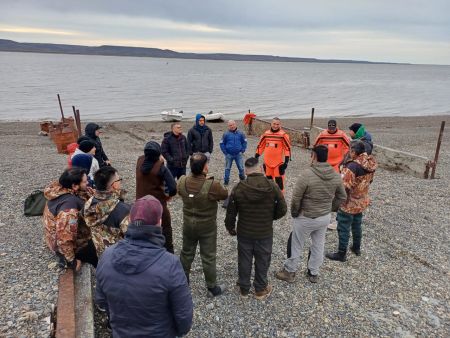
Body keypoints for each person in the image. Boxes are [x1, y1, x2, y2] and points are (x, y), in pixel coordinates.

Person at [95, 195, 193, 338]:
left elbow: (101, 301)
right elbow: (184, 318)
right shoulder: (170, 264)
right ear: (159, 222)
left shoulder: (106, 256)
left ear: (130, 220)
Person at [275, 145, 347, 283]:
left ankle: (290, 272)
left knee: (296, 243)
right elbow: (342, 196)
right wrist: (331, 208)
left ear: (313, 156)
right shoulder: (335, 175)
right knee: (318, 244)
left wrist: (295, 213)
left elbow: (296, 198)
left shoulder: (307, 174)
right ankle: (313, 273)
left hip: (306, 216)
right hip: (324, 217)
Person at [225, 157, 287, 300]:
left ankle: (244, 289)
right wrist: (270, 218)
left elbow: (231, 211)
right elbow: (283, 209)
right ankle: (260, 289)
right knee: (263, 259)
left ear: (246, 171)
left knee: (244, 259)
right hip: (264, 231)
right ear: (260, 169)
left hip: (244, 231)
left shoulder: (239, 188)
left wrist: (230, 227)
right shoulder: (272, 186)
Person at [178, 153, 228, 297]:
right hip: (207, 227)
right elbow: (224, 195)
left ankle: (182, 282)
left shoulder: (182, 181)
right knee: (208, 256)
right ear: (205, 167)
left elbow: (180, 192)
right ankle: (212, 287)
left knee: (186, 252)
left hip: (188, 224)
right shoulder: (212, 185)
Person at [326, 140, 377, 262]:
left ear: (353, 151)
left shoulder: (352, 166)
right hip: (361, 200)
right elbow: (370, 181)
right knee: (357, 225)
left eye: (350, 150)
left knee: (343, 227)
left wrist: (335, 201)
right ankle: (356, 248)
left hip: (349, 203)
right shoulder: (370, 163)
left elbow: (343, 187)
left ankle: (341, 253)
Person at [43, 168, 98, 269]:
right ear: (74, 186)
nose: (88, 183)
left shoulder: (60, 189)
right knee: (101, 254)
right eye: (85, 182)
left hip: (59, 234)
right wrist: (71, 261)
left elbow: (87, 194)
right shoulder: (69, 210)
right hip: (66, 245)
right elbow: (64, 237)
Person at [136, 141, 177, 253]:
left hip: (140, 206)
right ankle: (168, 254)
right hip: (157, 206)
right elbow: (173, 187)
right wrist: (169, 196)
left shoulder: (139, 160)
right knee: (166, 231)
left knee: (142, 231)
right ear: (158, 154)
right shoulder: (160, 167)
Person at [83, 166, 130, 257]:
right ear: (114, 185)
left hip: (101, 252)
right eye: (119, 179)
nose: (120, 181)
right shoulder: (124, 211)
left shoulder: (89, 203)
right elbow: (133, 238)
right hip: (119, 257)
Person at [255, 117, 291, 193]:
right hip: (267, 163)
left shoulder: (283, 135)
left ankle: (281, 199)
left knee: (279, 184)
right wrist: (256, 156)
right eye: (274, 124)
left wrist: (286, 162)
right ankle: (270, 198)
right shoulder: (266, 134)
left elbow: (287, 148)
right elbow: (261, 146)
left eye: (277, 124)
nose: (275, 126)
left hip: (278, 164)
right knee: (269, 182)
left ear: (280, 125)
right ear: (271, 124)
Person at [220, 120, 247, 186]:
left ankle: (242, 179)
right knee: (227, 168)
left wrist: (242, 150)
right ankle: (226, 181)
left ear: (235, 124)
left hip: (238, 154)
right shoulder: (226, 134)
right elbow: (221, 143)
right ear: (228, 126)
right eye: (230, 125)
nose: (232, 126)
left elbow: (244, 142)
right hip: (229, 154)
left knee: (241, 168)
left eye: (233, 125)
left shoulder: (241, 133)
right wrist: (225, 152)